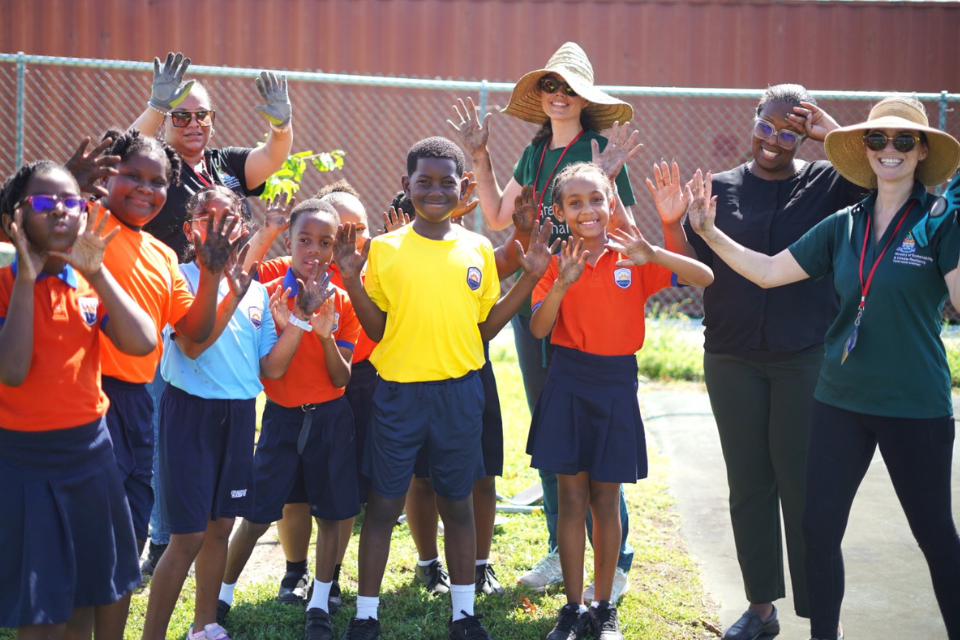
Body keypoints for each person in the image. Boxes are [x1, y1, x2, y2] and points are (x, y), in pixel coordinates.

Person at [685, 95, 960, 640]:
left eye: (904, 140)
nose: (890, 150)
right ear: (865, 148)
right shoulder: (844, 223)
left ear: (922, 151)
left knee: (934, 537)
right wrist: (710, 232)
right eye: (878, 139)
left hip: (913, 405)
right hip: (839, 401)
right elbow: (766, 271)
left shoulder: (938, 221)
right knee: (816, 528)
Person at [647, 84, 869, 639]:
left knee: (802, 484)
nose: (775, 140)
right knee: (748, 484)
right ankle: (761, 609)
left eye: (790, 131)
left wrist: (831, 131)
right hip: (731, 357)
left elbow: (880, 171)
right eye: (767, 127)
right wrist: (675, 223)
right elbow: (686, 270)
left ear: (804, 134)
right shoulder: (720, 188)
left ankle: (821, 614)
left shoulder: (828, 182)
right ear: (753, 124)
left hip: (802, 358)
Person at [331, 137, 554, 640]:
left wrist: (529, 276)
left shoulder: (476, 248)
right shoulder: (384, 251)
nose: (435, 190)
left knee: (458, 503)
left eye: (446, 182)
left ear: (463, 187)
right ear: (406, 185)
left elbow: (487, 327)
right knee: (385, 505)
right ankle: (366, 614)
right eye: (424, 181)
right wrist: (351, 280)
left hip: (459, 395)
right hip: (399, 396)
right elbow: (376, 329)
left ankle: (463, 614)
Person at [449, 42, 641, 599]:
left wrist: (607, 178)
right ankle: (563, 551)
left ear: (586, 98)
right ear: (541, 96)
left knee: (599, 437)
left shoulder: (600, 148)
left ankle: (616, 554)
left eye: (569, 88)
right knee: (553, 428)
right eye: (550, 87)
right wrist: (479, 156)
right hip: (543, 294)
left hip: (591, 303)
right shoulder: (533, 154)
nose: (559, 96)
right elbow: (497, 216)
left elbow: (627, 233)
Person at [528, 161, 712, 640]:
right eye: (575, 202)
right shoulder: (555, 260)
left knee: (606, 499)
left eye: (597, 199)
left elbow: (702, 276)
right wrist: (564, 281)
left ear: (611, 203)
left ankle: (603, 607)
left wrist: (665, 234)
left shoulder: (633, 254)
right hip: (568, 380)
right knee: (571, 498)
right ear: (562, 212)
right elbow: (538, 328)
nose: (588, 210)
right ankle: (571, 609)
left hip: (615, 384)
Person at [140, 186, 331, 640]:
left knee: (220, 526)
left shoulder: (256, 294)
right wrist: (231, 290)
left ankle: (204, 626)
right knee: (185, 535)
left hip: (239, 413)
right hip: (189, 415)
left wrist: (302, 318)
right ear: (190, 228)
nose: (220, 225)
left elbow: (270, 367)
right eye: (208, 217)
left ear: (243, 228)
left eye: (231, 217)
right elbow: (191, 343)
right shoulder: (179, 277)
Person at [79, 129, 248, 640]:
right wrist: (74, 180)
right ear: (107, 177)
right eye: (133, 175)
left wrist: (217, 278)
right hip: (85, 397)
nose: (146, 189)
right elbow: (27, 208)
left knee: (126, 546)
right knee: (83, 546)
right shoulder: (85, 219)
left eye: (157, 182)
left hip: (136, 408)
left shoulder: (161, 257)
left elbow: (194, 336)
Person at [130, 51, 294, 575]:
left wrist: (282, 122)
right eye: (182, 116)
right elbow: (126, 154)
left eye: (203, 115)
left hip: (225, 294)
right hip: (170, 295)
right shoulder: (159, 163)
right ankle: (161, 536)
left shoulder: (224, 164)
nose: (194, 125)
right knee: (162, 413)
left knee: (210, 407)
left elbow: (273, 156)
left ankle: (192, 526)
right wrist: (156, 108)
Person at [0, 161, 157, 639]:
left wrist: (100, 272)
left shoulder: (87, 277)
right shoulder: (5, 281)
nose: (61, 211)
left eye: (72, 201)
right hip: (24, 463)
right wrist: (27, 278)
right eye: (45, 203)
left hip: (91, 459)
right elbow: (12, 370)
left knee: (89, 597)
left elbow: (143, 341)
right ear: (17, 217)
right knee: (44, 613)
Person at [219, 198, 360, 640]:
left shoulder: (341, 301)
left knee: (332, 513)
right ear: (290, 241)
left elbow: (342, 378)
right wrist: (267, 231)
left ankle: (319, 601)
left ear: (336, 247)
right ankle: (220, 595)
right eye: (304, 240)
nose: (313, 250)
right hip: (281, 418)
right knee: (258, 513)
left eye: (324, 242)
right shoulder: (269, 283)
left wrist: (324, 337)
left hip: (331, 418)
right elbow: (238, 271)